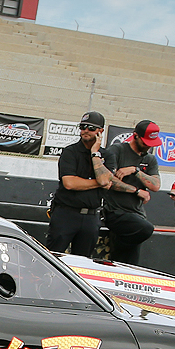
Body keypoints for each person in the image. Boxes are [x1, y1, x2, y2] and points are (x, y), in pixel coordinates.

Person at [47, 110, 116, 256]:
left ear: (100, 131)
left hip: (91, 216)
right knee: (53, 256)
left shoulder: (107, 155)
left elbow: (105, 180)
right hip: (66, 213)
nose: (86, 130)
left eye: (91, 128)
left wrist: (95, 153)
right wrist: (99, 182)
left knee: (83, 261)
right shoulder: (70, 152)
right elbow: (70, 183)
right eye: (82, 127)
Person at [100, 120, 161, 263]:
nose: (148, 146)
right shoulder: (117, 150)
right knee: (145, 229)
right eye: (145, 143)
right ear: (135, 136)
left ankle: (118, 258)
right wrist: (136, 191)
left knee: (131, 260)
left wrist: (135, 171)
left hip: (136, 214)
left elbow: (155, 186)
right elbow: (108, 180)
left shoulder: (150, 159)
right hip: (115, 210)